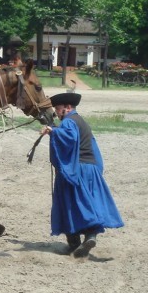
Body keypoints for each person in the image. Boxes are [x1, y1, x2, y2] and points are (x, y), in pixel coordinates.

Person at [40, 93, 123, 258]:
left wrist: (52, 131)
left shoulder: (69, 121)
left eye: (58, 108)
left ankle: (75, 242)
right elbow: (93, 145)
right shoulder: (82, 121)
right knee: (85, 203)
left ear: (68, 107)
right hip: (89, 169)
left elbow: (69, 138)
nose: (56, 112)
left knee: (69, 205)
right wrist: (96, 170)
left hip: (75, 170)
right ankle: (89, 237)